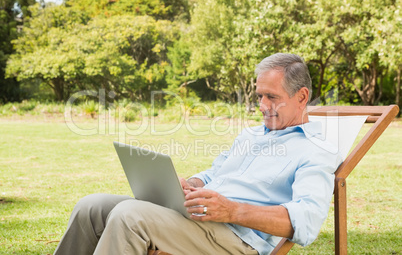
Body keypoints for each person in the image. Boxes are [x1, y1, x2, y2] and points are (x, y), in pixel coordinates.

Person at [54, 53, 342, 255]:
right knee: (90, 207)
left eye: (272, 97)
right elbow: (214, 173)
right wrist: (193, 184)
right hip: (198, 219)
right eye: (259, 96)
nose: (262, 105)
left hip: (236, 240)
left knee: (131, 215)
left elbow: (306, 221)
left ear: (302, 97)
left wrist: (231, 210)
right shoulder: (252, 134)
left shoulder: (315, 151)